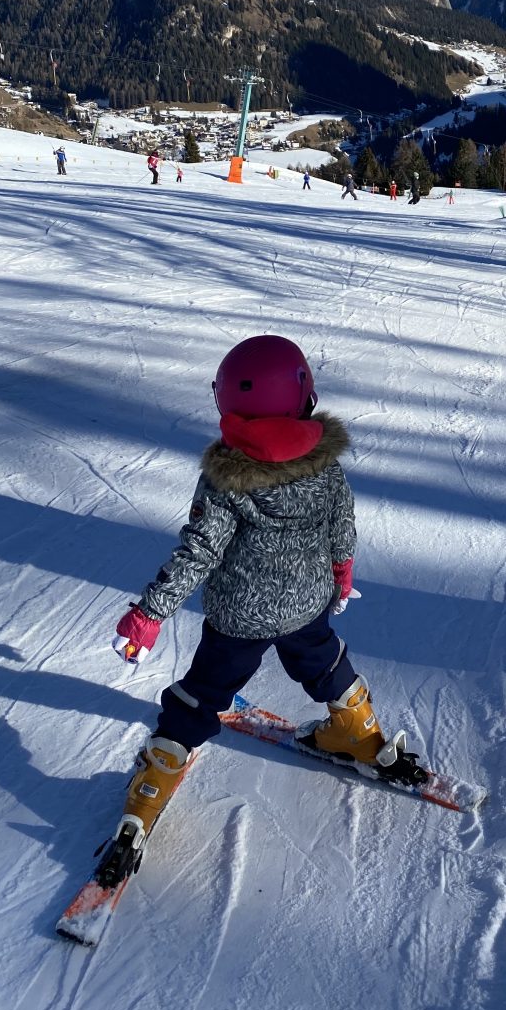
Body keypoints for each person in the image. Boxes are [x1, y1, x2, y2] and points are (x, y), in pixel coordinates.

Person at [108, 335, 385, 853]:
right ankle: (358, 728)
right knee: (323, 660)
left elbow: (199, 552)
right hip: (307, 603)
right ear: (306, 397)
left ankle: (156, 778)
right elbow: (342, 527)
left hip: (240, 617)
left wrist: (149, 614)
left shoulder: (225, 479)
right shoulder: (327, 468)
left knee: (204, 692)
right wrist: (341, 576)